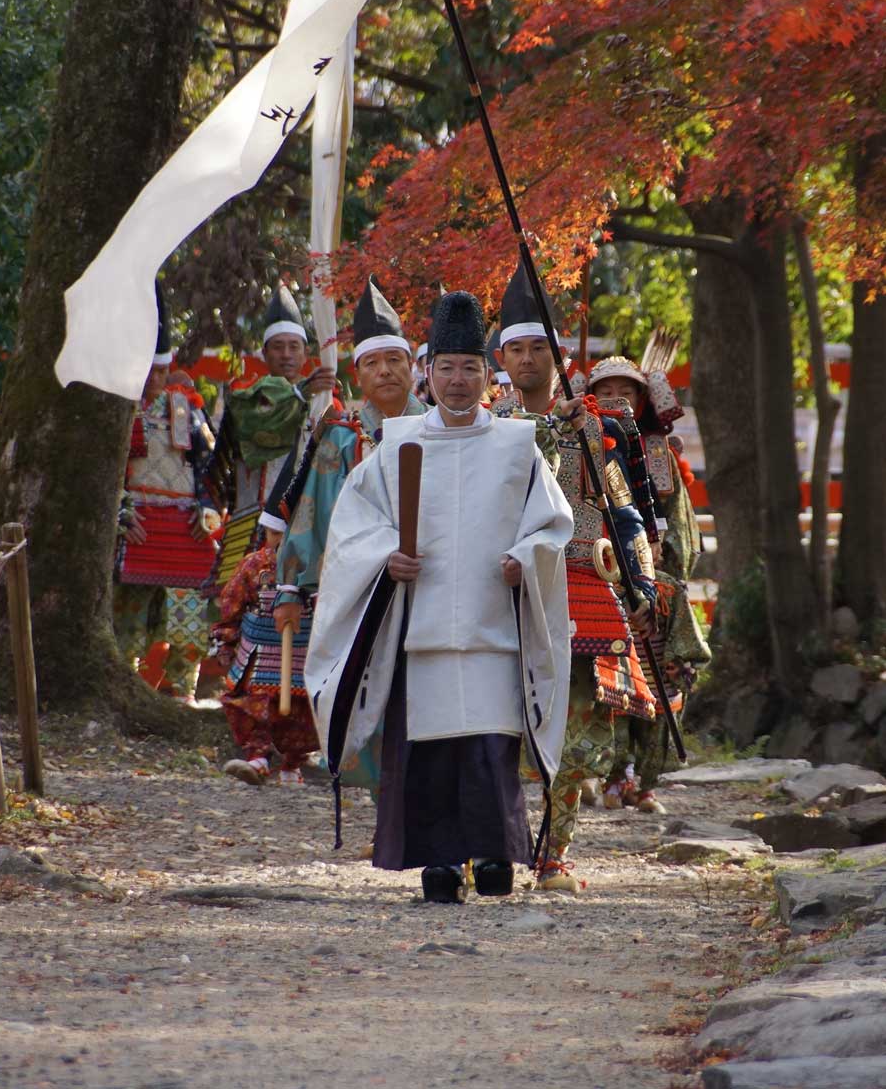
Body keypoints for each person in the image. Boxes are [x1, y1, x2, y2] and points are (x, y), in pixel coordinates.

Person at [305, 291, 573, 904]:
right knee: (429, 755)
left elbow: (551, 525)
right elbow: (354, 526)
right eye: (447, 368)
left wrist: (524, 559)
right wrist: (385, 558)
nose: (457, 381)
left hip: (491, 629)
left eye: (470, 369)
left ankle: (495, 855)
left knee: (487, 750)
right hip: (418, 630)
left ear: (488, 374)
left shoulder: (517, 444)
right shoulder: (396, 444)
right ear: (428, 373)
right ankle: (439, 863)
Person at [492, 262, 657, 891]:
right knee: (503, 722)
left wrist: (640, 583)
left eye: (539, 347)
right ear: (501, 356)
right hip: (507, 584)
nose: (529, 359)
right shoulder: (485, 428)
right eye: (517, 349)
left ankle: (554, 851)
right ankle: (500, 841)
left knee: (579, 727)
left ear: (555, 353)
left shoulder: (596, 427)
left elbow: (624, 513)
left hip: (585, 582)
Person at [271, 277, 428, 789]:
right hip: (360, 590)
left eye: (394, 360)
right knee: (365, 689)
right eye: (371, 363)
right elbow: (312, 515)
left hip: (431, 582)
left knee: (425, 693)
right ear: (357, 374)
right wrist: (291, 586)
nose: (384, 371)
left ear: (412, 366)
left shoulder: (440, 429)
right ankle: (388, 817)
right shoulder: (340, 437)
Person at [588, 355, 711, 813]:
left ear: (641, 399)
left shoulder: (659, 454)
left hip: (655, 587)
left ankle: (645, 778)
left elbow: (681, 524)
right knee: (612, 682)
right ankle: (611, 774)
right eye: (605, 391)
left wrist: (662, 569)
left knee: (661, 682)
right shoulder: (583, 446)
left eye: (627, 390)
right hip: (601, 581)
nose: (615, 398)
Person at [114, 285, 219, 699]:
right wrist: (120, 513)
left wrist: (207, 511)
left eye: (159, 370)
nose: (152, 378)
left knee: (189, 616)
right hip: (136, 524)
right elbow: (107, 479)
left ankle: (182, 690)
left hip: (182, 528)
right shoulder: (118, 410)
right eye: (146, 369)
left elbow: (210, 467)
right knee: (128, 618)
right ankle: (124, 688)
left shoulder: (187, 410)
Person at [204, 281, 336, 595]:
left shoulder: (326, 403)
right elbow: (259, 424)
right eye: (278, 346)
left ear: (306, 353)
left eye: (294, 346)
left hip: (307, 528)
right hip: (250, 526)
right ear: (264, 352)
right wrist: (303, 393)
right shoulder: (246, 398)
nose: (287, 354)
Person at [210, 493, 318, 785]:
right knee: (254, 706)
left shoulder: (319, 565)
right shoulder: (252, 565)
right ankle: (257, 758)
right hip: (258, 653)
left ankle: (292, 765)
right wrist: (225, 640)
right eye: (273, 534)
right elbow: (232, 604)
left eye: (286, 535)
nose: (279, 541)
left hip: (304, 651)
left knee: (303, 712)